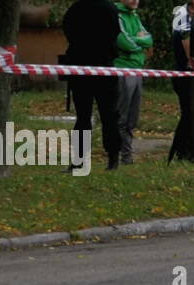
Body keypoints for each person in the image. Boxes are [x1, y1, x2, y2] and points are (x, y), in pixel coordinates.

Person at [63, 0, 122, 170]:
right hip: (104, 67)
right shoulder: (110, 8)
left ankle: (78, 160)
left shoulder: (76, 8)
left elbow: (68, 31)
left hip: (80, 67)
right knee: (109, 115)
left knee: (82, 116)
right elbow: (115, 33)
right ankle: (113, 158)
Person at [113, 0, 151, 165]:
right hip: (123, 69)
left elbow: (149, 39)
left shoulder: (134, 16)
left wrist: (138, 42)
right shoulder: (116, 15)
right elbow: (124, 42)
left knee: (132, 118)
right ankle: (117, 154)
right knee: (121, 116)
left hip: (137, 69)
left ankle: (127, 156)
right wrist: (139, 44)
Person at [170, 0, 194, 161]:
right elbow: (186, 42)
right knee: (189, 112)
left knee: (192, 112)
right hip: (184, 72)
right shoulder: (182, 14)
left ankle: (185, 149)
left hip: (190, 73)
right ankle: (181, 150)